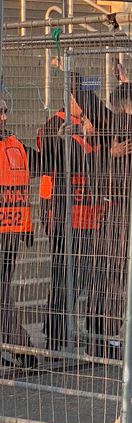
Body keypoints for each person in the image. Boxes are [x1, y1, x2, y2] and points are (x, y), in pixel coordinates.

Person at [37, 80, 104, 355]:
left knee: (81, 275)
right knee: (64, 274)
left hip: (88, 215)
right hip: (63, 214)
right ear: (70, 100)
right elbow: (69, 159)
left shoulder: (90, 126)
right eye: (82, 101)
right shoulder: (56, 123)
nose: (87, 107)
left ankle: (60, 326)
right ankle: (55, 333)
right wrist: (84, 133)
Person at [0, 99, 38, 369]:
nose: (3, 117)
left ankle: (20, 346)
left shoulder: (15, 146)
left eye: (3, 111)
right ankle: (19, 345)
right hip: (13, 229)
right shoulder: (16, 147)